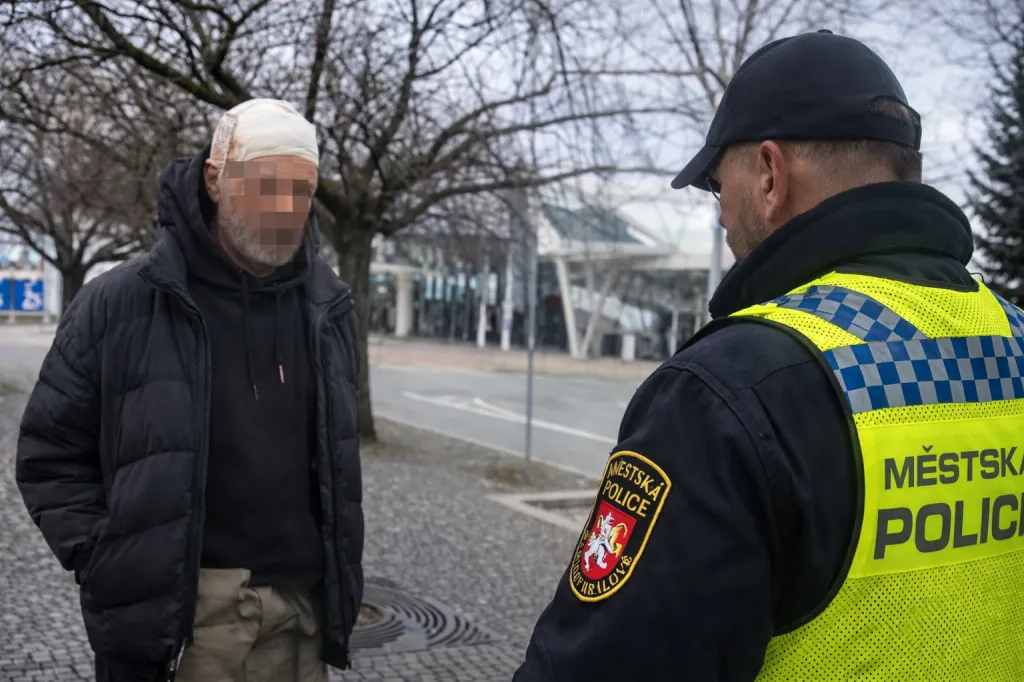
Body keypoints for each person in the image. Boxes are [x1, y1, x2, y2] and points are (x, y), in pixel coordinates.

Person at [514, 30, 1024, 681]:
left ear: (769, 175)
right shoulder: (1011, 342)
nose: (721, 215)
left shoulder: (731, 388)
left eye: (714, 185)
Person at [15, 98, 364, 682]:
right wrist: (115, 563)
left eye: (301, 191)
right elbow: (48, 455)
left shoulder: (329, 310)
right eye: (266, 186)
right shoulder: (120, 301)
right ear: (216, 179)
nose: (286, 208)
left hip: (301, 619)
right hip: (183, 625)